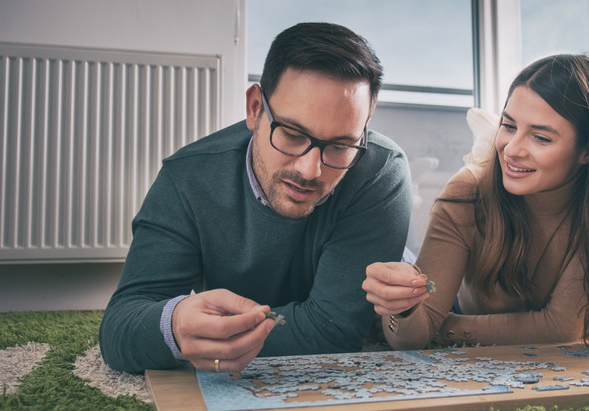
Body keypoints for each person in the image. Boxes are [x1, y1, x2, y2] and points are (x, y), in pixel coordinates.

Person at [100, 22, 413, 374]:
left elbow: (334, 331)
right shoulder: (187, 177)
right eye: (293, 134)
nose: (311, 171)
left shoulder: (381, 171)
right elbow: (120, 325)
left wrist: (234, 330)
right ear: (254, 108)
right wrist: (174, 326)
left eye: (340, 146)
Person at [363, 54, 589, 351]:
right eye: (508, 126)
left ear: (588, 151)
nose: (512, 150)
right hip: (458, 300)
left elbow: (563, 328)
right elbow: (412, 334)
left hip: (454, 318)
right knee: (399, 271)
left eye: (541, 138)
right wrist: (404, 311)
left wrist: (441, 329)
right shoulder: (467, 192)